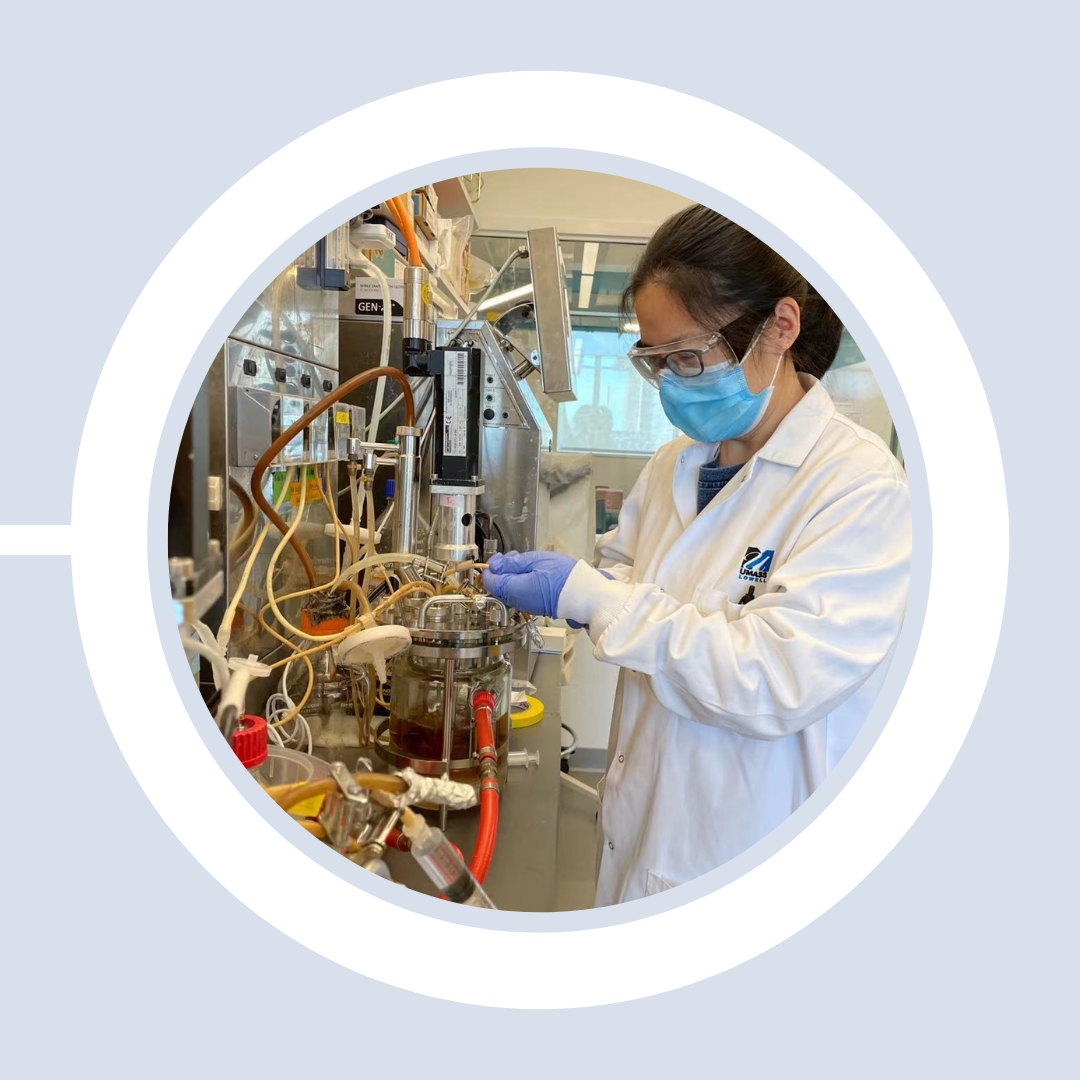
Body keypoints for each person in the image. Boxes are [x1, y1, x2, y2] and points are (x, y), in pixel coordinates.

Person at [483, 205, 911, 906]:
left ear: (780, 326)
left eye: (687, 356)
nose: (674, 382)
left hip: (742, 851)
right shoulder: (675, 465)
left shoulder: (858, 487)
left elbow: (776, 677)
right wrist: (585, 586)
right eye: (656, 362)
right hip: (642, 825)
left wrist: (595, 597)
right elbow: (629, 574)